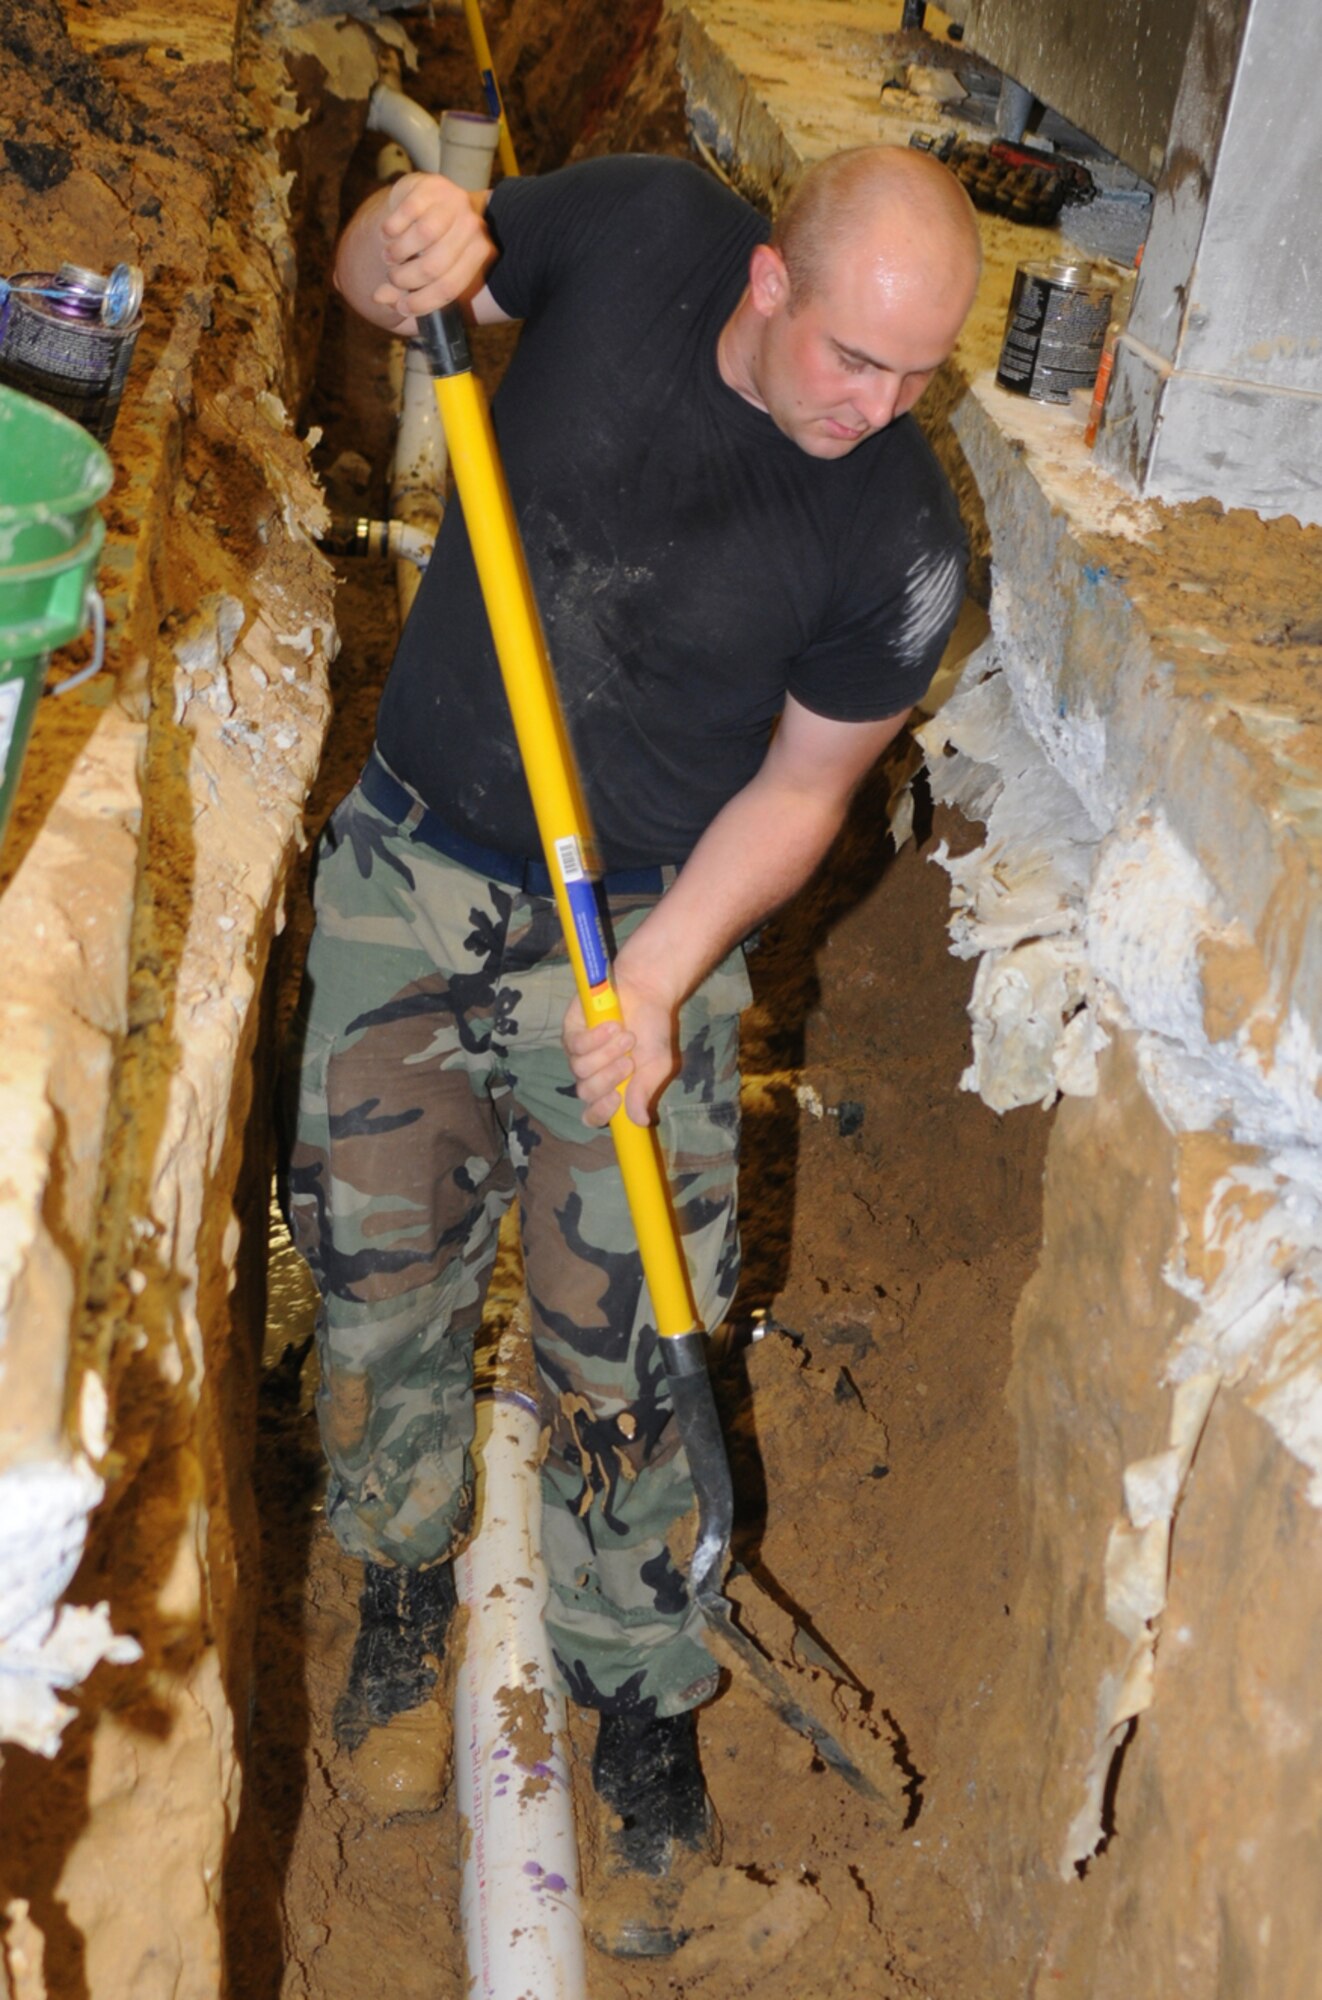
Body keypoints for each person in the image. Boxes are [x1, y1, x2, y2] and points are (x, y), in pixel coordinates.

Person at [286, 142, 980, 1953]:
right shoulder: (647, 232)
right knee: (378, 1282)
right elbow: (394, 282)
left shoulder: (896, 535)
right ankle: (398, 1590)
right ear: (766, 281)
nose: (878, 406)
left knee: (638, 1327)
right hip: (417, 861)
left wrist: (664, 971)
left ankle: (641, 1708)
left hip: (642, 923)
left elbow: (808, 784)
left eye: (919, 377)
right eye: (853, 359)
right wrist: (397, 234)